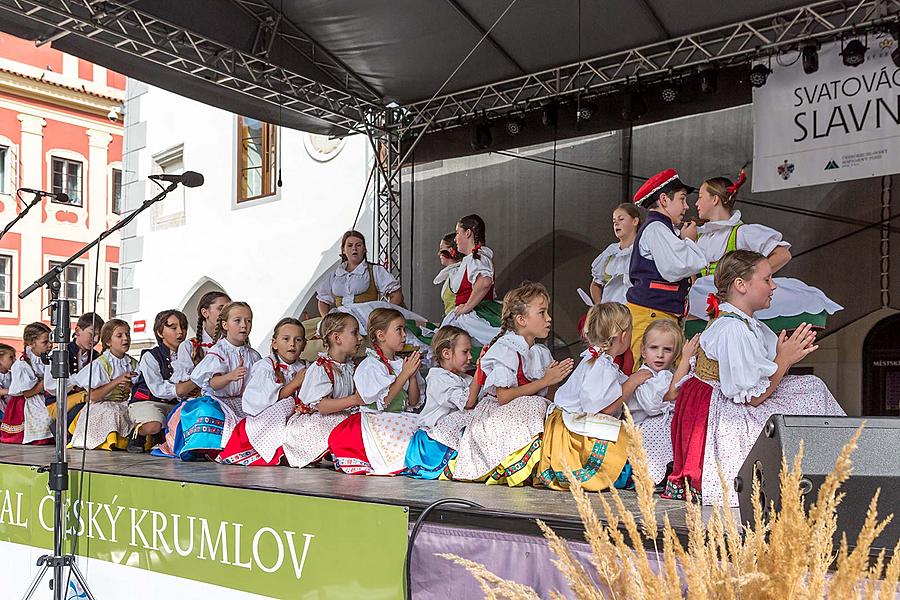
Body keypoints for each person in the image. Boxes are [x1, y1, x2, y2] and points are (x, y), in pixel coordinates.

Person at [664, 251, 845, 506]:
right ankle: (827, 467)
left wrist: (786, 354)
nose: (773, 286)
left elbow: (762, 368)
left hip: (730, 397)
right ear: (741, 285)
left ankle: (830, 464)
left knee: (811, 387)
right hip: (725, 409)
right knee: (812, 394)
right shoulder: (732, 328)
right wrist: (784, 359)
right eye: (767, 279)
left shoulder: (744, 322)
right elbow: (753, 397)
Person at [686, 171, 842, 337]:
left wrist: (751, 279)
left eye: (700, 196)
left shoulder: (743, 232)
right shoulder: (700, 236)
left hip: (732, 295)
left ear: (715, 199)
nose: (696, 203)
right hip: (705, 293)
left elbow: (782, 254)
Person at [452, 282, 574, 486]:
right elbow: (504, 397)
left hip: (518, 416)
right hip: (496, 417)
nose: (549, 319)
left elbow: (547, 397)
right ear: (521, 319)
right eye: (542, 313)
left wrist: (553, 382)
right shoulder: (506, 349)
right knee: (534, 404)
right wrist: (545, 380)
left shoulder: (539, 352)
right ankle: (512, 465)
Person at [539, 303, 646, 491]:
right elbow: (604, 409)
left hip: (567, 422)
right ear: (624, 336)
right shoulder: (601, 365)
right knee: (623, 434)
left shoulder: (598, 360)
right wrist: (633, 382)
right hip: (573, 429)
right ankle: (612, 474)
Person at [307, 230, 429, 361]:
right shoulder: (334, 275)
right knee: (305, 328)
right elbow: (323, 300)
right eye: (350, 245)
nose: (354, 248)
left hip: (366, 315)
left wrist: (385, 318)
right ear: (343, 250)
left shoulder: (374, 270)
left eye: (358, 245)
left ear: (364, 249)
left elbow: (396, 295)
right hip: (339, 317)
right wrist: (327, 320)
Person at [328, 308, 422, 475]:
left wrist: (412, 377)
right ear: (381, 335)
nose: (404, 335)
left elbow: (413, 402)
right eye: (398, 329)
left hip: (398, 415)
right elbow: (382, 403)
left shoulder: (401, 364)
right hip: (377, 419)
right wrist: (404, 374)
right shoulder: (371, 366)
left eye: (404, 330)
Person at [626, 169, 708, 361]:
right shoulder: (656, 228)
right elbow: (676, 268)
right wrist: (688, 241)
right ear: (664, 199)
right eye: (682, 199)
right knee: (648, 373)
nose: (686, 206)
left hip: (659, 314)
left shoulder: (662, 229)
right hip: (651, 314)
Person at [175, 301, 261, 460]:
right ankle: (206, 449)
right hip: (218, 400)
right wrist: (230, 376)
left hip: (242, 403)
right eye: (238, 321)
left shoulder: (253, 355)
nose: (244, 325)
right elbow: (213, 383)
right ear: (225, 325)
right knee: (208, 413)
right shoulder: (219, 351)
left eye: (248, 321)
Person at [218, 318, 308, 466]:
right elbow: (266, 400)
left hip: (296, 414)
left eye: (298, 340)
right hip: (268, 415)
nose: (292, 344)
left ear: (304, 345)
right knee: (286, 404)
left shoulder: (306, 367)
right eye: (286, 339)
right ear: (274, 343)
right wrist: (295, 383)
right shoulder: (266, 366)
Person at [283, 312, 363, 469]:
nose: (360, 338)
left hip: (339, 415)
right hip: (314, 422)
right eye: (354, 333)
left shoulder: (349, 366)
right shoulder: (320, 368)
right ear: (337, 338)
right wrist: (354, 400)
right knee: (345, 421)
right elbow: (322, 406)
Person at [625, 319, 697, 485]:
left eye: (667, 350)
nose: (660, 355)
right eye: (654, 348)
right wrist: (670, 399)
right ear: (643, 350)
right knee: (656, 424)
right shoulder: (645, 375)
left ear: (675, 354)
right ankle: (652, 475)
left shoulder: (667, 374)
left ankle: (670, 470)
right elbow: (653, 405)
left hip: (661, 428)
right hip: (641, 428)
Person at [404, 326, 475, 479]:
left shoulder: (465, 379)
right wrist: (481, 374)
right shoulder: (438, 378)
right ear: (446, 353)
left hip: (448, 437)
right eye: (465, 352)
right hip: (433, 442)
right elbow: (468, 402)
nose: (470, 357)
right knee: (468, 415)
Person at [127, 310, 197, 453]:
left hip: (173, 404)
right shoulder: (150, 356)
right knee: (154, 424)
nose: (180, 332)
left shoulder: (189, 355)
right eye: (173, 328)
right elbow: (157, 389)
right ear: (160, 332)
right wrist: (186, 386)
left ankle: (164, 436)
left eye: (183, 327)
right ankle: (137, 433)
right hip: (148, 401)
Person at [70, 320, 137, 450]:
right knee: (112, 412)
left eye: (127, 335)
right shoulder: (101, 364)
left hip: (124, 402)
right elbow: (93, 396)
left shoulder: (133, 363)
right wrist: (116, 381)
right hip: (102, 403)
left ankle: (131, 441)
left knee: (134, 412)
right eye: (119, 336)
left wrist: (130, 388)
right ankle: (109, 441)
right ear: (108, 342)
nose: (125, 339)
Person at [440, 214, 502, 347]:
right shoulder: (472, 259)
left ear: (468, 233)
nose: (456, 238)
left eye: (457, 233)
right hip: (471, 314)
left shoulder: (476, 258)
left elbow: (485, 281)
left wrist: (467, 306)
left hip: (473, 317)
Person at [44, 312, 104, 432]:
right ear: (77, 331)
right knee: (89, 398)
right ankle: (61, 428)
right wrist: (76, 379)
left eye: (99, 336)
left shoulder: (96, 357)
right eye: (92, 334)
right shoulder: (59, 353)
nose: (96, 340)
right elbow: (51, 387)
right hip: (58, 404)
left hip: (86, 402)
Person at [0, 322, 52, 444]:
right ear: (31, 344)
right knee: (44, 417)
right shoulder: (22, 365)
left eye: (50, 341)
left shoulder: (47, 359)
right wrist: (46, 382)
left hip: (44, 397)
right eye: (45, 342)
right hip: (26, 403)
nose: (50, 345)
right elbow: (27, 393)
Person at [590, 203, 641, 305]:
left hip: (635, 312)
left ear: (635, 221)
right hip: (611, 315)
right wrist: (599, 306)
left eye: (621, 219)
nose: (616, 224)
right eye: (614, 221)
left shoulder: (643, 249)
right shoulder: (610, 252)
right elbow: (595, 284)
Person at [173, 290, 230, 377]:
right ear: (205, 312)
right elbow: (183, 385)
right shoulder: (188, 346)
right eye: (221, 308)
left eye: (229, 309)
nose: (227, 313)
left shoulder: (233, 343)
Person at [434, 232, 463, 318]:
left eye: (441, 249)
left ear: (451, 250)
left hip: (456, 323)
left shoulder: (457, 274)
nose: (439, 253)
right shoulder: (452, 273)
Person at [0, 343, 14, 420]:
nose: (14, 360)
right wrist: (11, 391)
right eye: (11, 357)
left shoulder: (12, 374)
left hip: (9, 409)